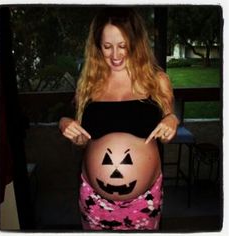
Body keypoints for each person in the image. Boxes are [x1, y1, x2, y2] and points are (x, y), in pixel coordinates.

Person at [59, 7, 179, 231]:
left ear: (137, 43)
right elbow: (83, 140)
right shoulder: (88, 84)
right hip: (95, 200)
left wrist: (172, 120)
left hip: (144, 201)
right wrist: (66, 125)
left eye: (122, 45)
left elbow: (165, 137)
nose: (115, 55)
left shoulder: (158, 80)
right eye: (107, 46)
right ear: (97, 46)